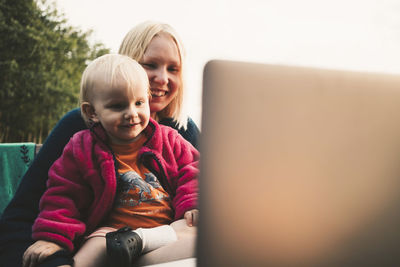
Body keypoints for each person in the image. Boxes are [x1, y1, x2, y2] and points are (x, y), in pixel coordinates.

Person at [0, 21, 200, 267]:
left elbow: (201, 181)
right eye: (150, 65)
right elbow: (48, 203)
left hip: (165, 248)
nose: (162, 78)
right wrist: (55, 255)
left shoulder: (181, 131)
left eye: (173, 69)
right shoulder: (82, 130)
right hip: (103, 244)